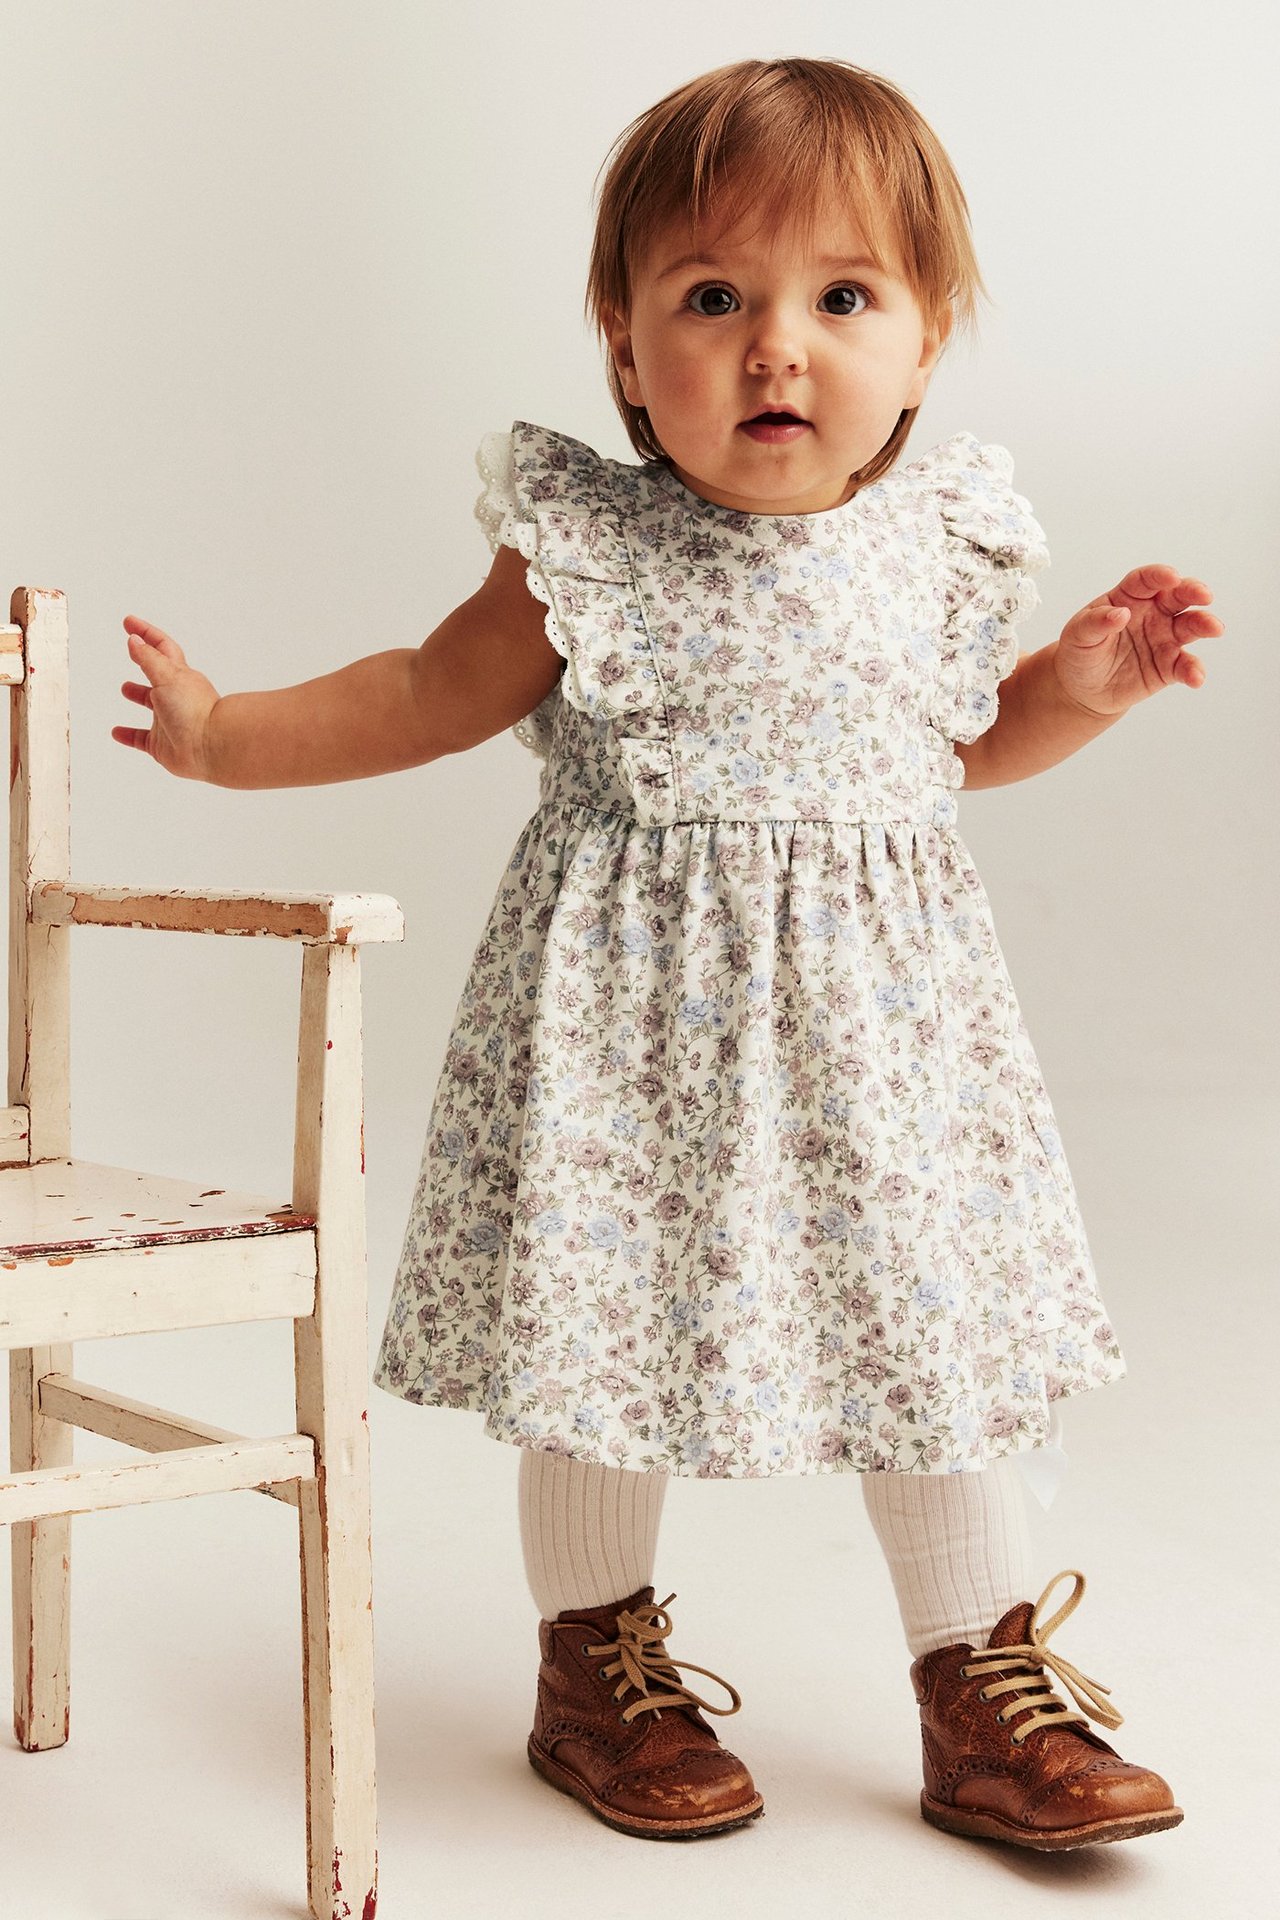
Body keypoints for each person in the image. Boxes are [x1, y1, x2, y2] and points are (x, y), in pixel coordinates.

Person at [114, 55, 1220, 1854]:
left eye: (840, 298)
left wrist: (1080, 692)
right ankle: (593, 1661)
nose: (777, 348)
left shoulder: (933, 546)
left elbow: (947, 748)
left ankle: (980, 1679)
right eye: (715, 300)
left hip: (883, 1039)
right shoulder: (591, 545)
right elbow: (422, 693)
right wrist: (231, 735)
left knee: (924, 1330)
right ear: (625, 350)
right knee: (605, 1322)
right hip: (633, 1036)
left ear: (925, 342)